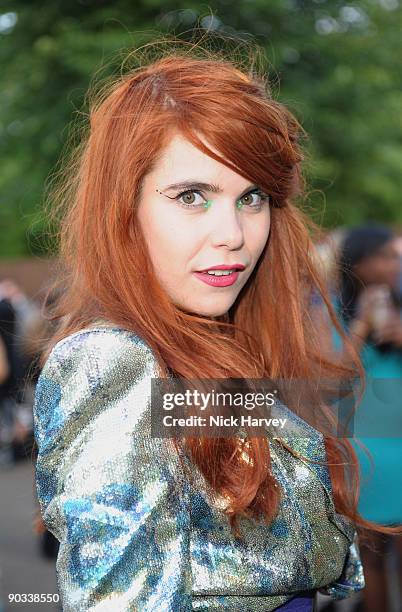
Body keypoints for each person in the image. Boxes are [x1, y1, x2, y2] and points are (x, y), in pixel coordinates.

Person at [32, 42, 399, 611]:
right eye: (191, 196)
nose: (233, 232)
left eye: (251, 197)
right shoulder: (113, 359)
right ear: (123, 208)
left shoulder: (215, 348)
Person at [329, 224, 402, 612]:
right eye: (388, 255)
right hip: (366, 450)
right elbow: (335, 380)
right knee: (371, 560)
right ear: (361, 262)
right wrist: (362, 325)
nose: (396, 264)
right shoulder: (330, 310)